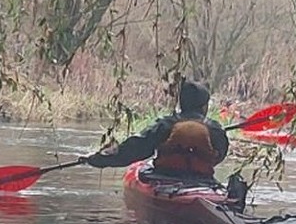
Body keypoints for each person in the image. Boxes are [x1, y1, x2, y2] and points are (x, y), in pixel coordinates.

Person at [83, 78, 231, 182]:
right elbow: (220, 156)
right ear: (204, 106)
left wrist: (98, 159)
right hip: (202, 181)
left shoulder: (166, 125)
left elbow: (133, 149)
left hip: (164, 177)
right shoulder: (215, 130)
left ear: (181, 103)